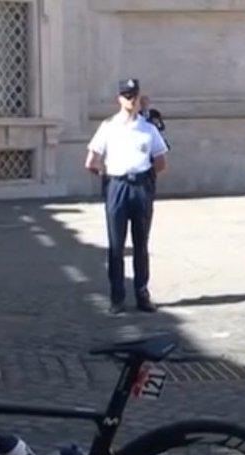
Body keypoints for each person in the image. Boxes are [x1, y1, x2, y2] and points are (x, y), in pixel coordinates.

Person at [85, 78, 169, 315]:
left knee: (141, 244)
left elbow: (161, 161)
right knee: (116, 245)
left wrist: (147, 180)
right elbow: (91, 161)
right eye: (126, 96)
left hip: (141, 186)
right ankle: (117, 297)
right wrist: (107, 177)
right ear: (119, 99)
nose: (131, 100)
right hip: (117, 185)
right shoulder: (108, 127)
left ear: (139, 97)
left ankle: (142, 294)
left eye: (134, 96)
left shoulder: (148, 129)